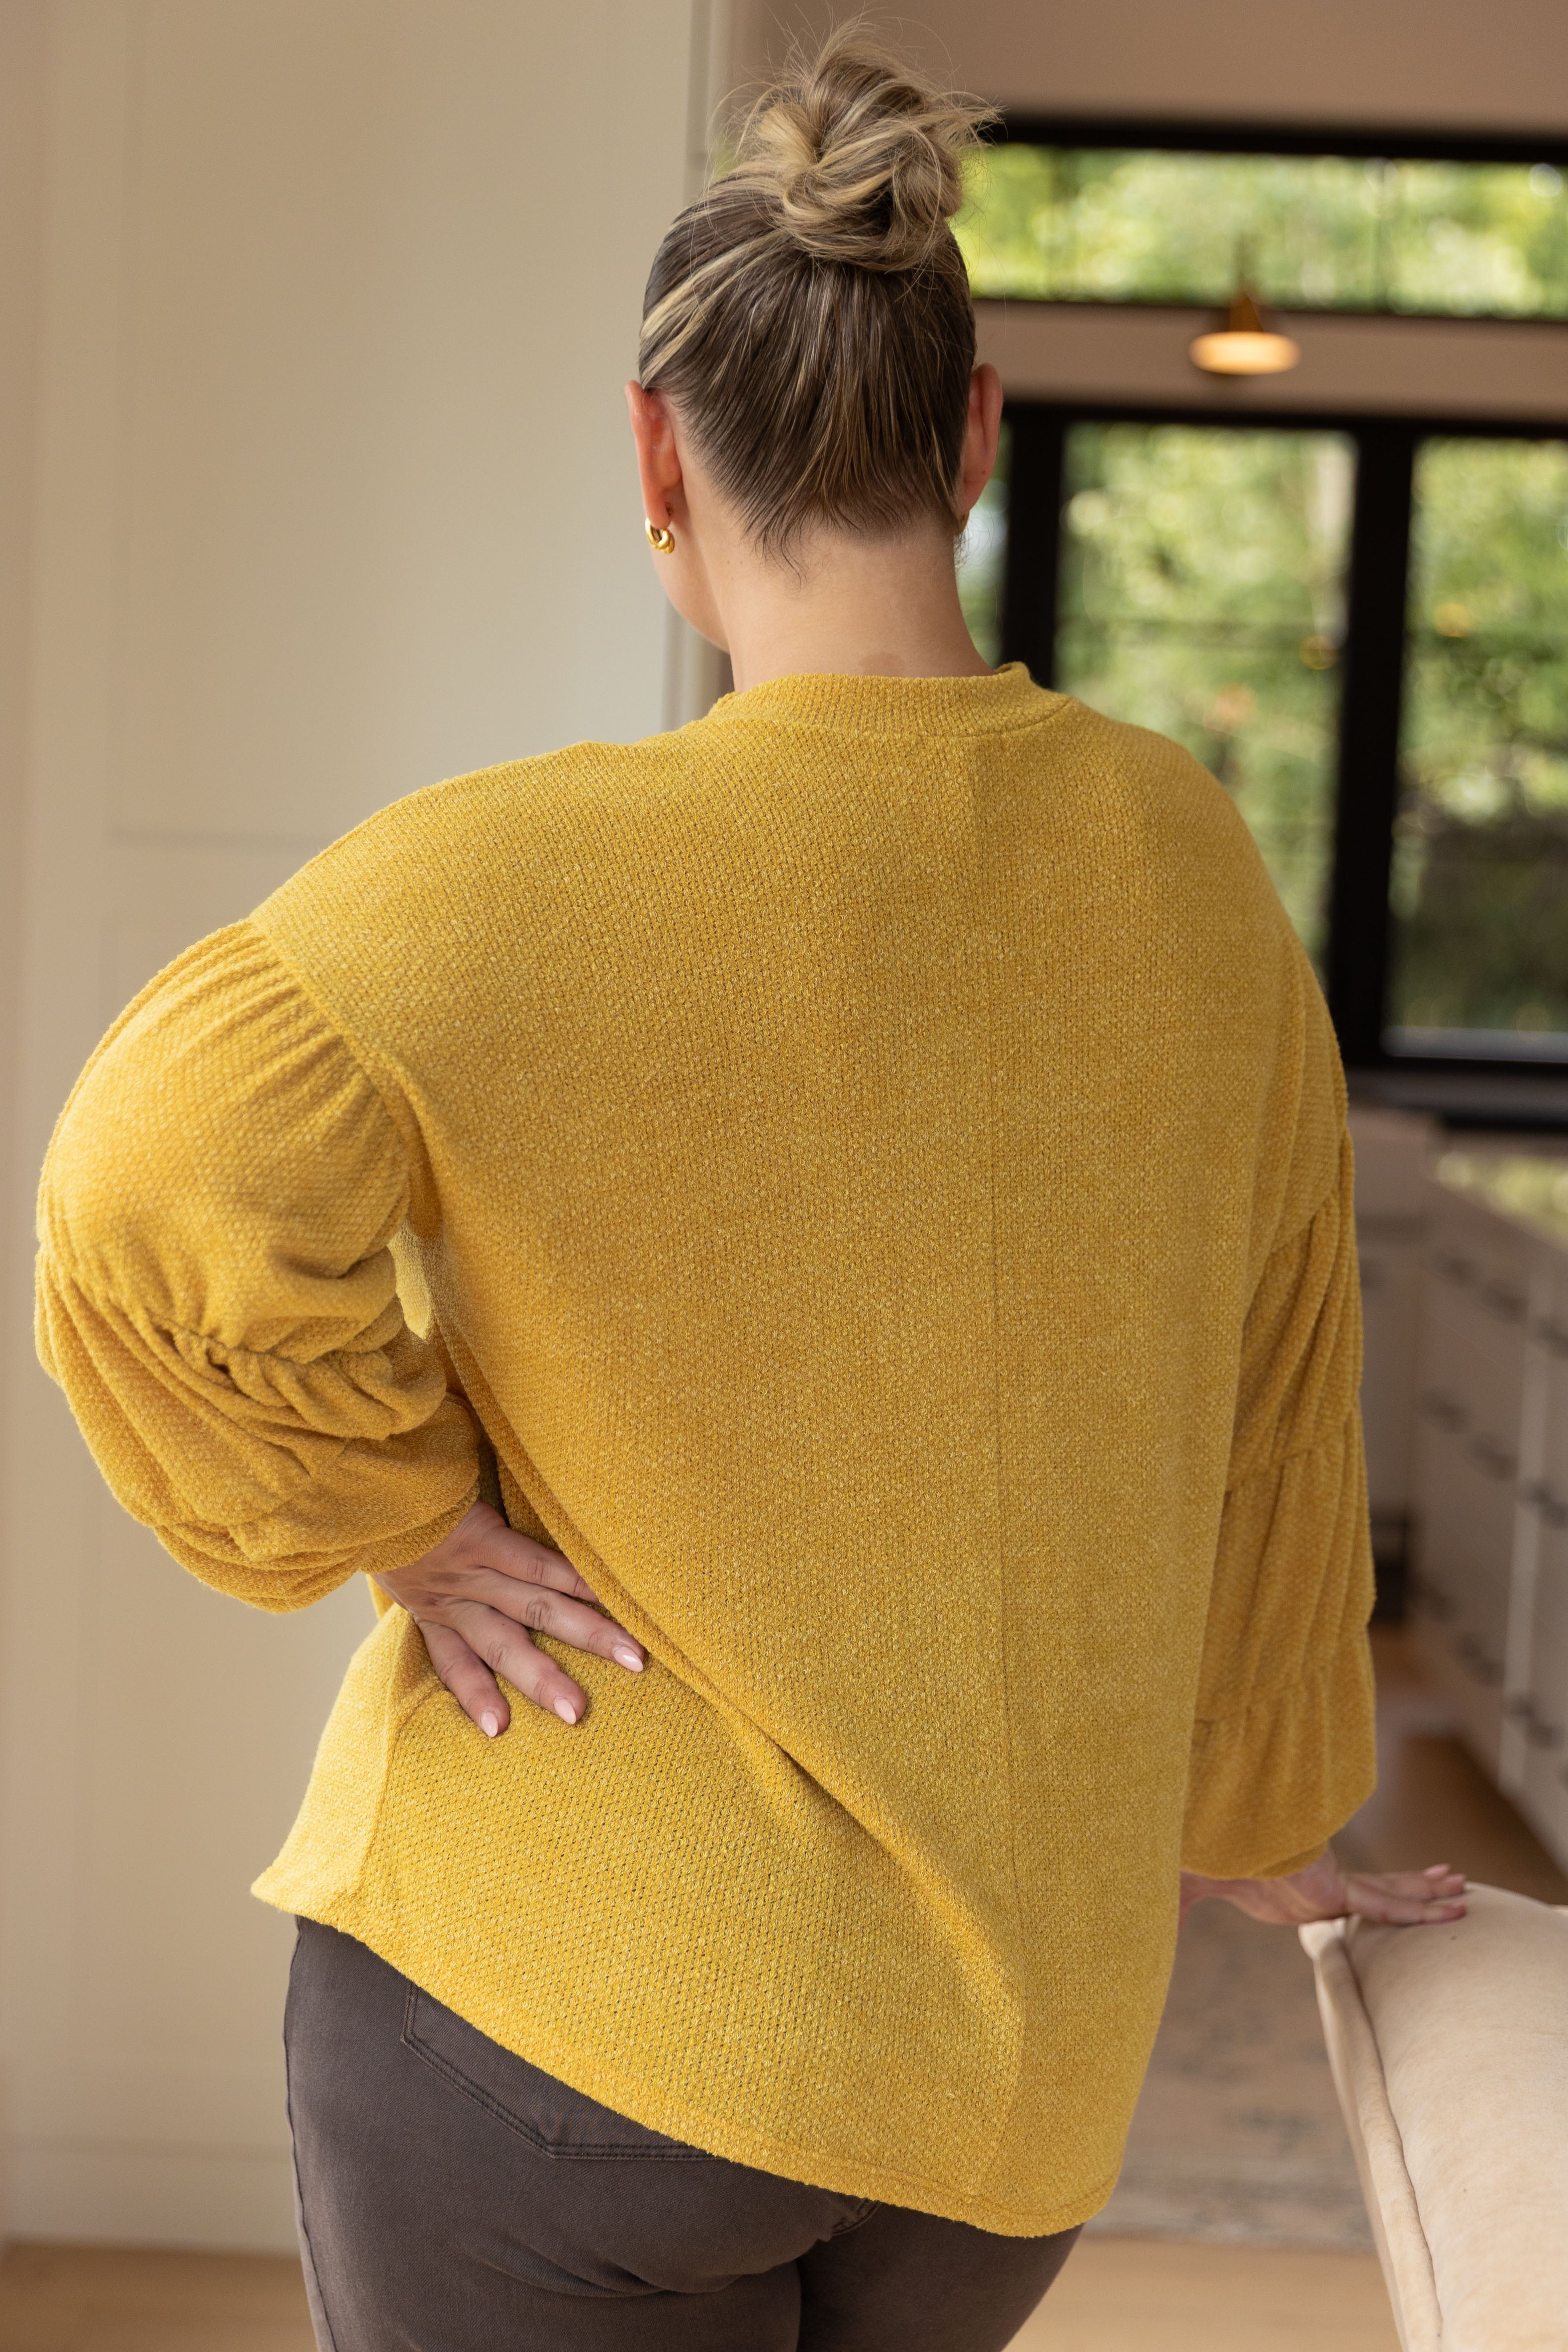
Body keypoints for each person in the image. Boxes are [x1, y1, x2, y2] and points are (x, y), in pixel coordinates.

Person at [34, 29, 1464, 2352]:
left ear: (653, 453)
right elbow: (1274, 1390)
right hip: (994, 2098)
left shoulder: (490, 887)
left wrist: (393, 1514)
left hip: (554, 2022)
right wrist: (1251, 1798)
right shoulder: (1184, 866)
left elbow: (129, 1197)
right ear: (970, 432)